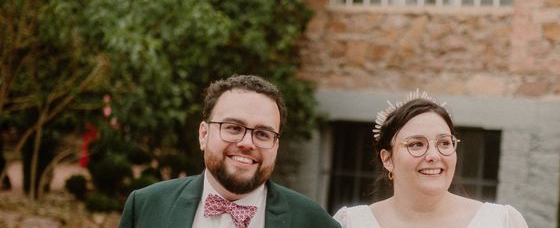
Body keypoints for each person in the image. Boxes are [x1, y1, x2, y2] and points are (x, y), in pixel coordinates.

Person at [120, 74, 340, 228]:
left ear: (276, 145)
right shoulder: (145, 206)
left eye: (263, 133)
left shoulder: (315, 222)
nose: (247, 143)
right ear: (203, 135)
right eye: (234, 128)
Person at [334, 90, 528, 228]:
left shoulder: (501, 222)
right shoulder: (351, 223)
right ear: (387, 159)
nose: (434, 156)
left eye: (444, 143)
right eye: (416, 144)